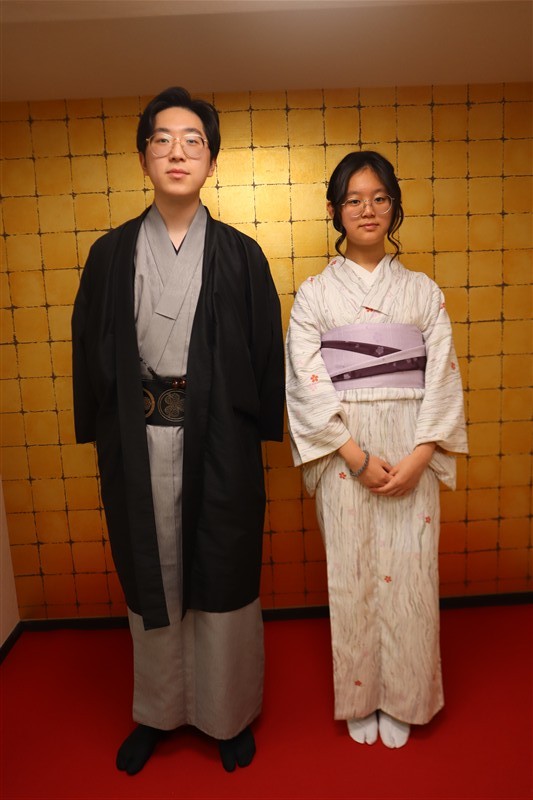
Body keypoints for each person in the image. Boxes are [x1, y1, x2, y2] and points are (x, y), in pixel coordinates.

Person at [72, 87, 284, 774]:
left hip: (218, 442)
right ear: (143, 158)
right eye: (162, 140)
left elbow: (264, 352)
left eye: (193, 141)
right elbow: (89, 348)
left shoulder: (242, 254)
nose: (177, 152)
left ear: (211, 161)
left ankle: (227, 713)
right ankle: (157, 712)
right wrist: (100, 429)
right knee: (153, 573)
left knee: (220, 571)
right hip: (139, 440)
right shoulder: (109, 254)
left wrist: (258, 430)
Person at [285, 151, 467, 748]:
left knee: (412, 574)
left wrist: (421, 456)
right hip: (345, 453)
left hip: (413, 443)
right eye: (354, 200)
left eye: (380, 197)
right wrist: (353, 456)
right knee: (352, 574)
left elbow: (442, 377)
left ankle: (408, 696)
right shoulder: (315, 296)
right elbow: (306, 380)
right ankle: (362, 695)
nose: (368, 209)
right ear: (335, 211)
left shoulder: (423, 291)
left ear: (394, 205)